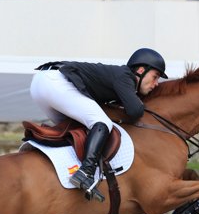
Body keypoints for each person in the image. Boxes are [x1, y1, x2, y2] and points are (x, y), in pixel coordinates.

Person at [30, 48, 168, 202]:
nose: (156, 84)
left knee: (76, 130)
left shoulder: (121, 78)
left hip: (40, 83)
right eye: (155, 77)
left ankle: (65, 171)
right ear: (141, 70)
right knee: (102, 123)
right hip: (55, 81)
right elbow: (135, 110)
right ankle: (86, 172)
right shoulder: (125, 76)